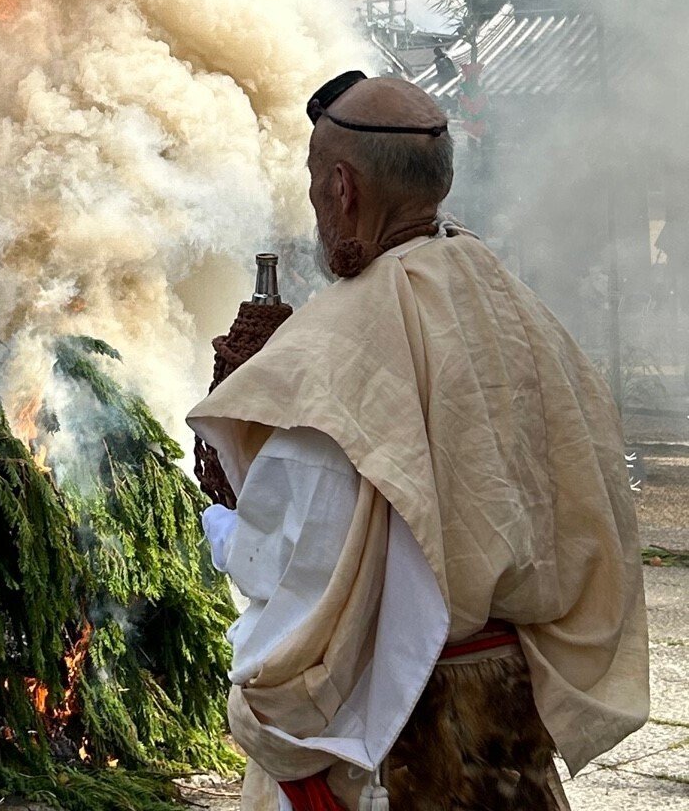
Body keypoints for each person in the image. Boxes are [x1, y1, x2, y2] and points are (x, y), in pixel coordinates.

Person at [188, 72, 648, 811]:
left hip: (391, 742)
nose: (317, 209)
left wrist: (220, 518)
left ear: (342, 188)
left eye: (315, 189)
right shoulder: (513, 306)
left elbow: (296, 568)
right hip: (506, 725)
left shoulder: (342, 346)